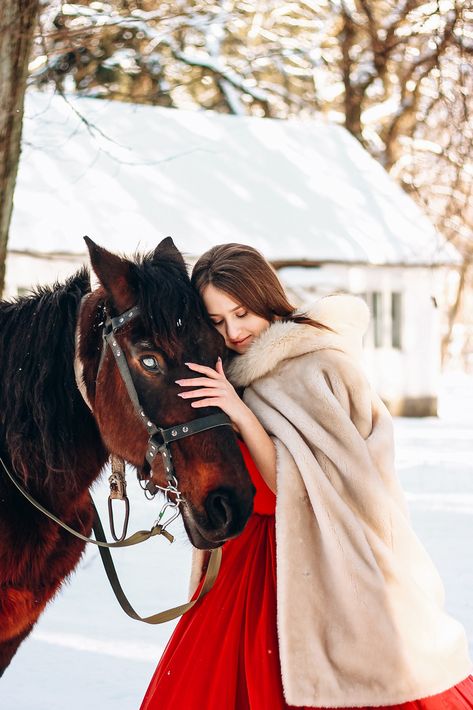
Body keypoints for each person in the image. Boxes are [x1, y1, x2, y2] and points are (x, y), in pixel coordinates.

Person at [140, 243, 473, 710]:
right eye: (217, 321)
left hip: (311, 560)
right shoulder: (223, 372)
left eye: (242, 313)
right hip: (240, 560)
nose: (234, 331)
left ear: (264, 297)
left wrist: (238, 412)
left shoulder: (320, 368)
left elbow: (312, 487)